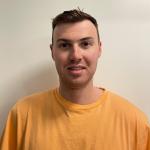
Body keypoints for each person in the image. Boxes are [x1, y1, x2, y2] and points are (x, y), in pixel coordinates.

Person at [0, 9, 150, 150]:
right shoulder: (21, 115)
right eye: (65, 45)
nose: (75, 56)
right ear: (52, 52)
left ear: (99, 48)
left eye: (85, 44)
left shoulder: (134, 122)